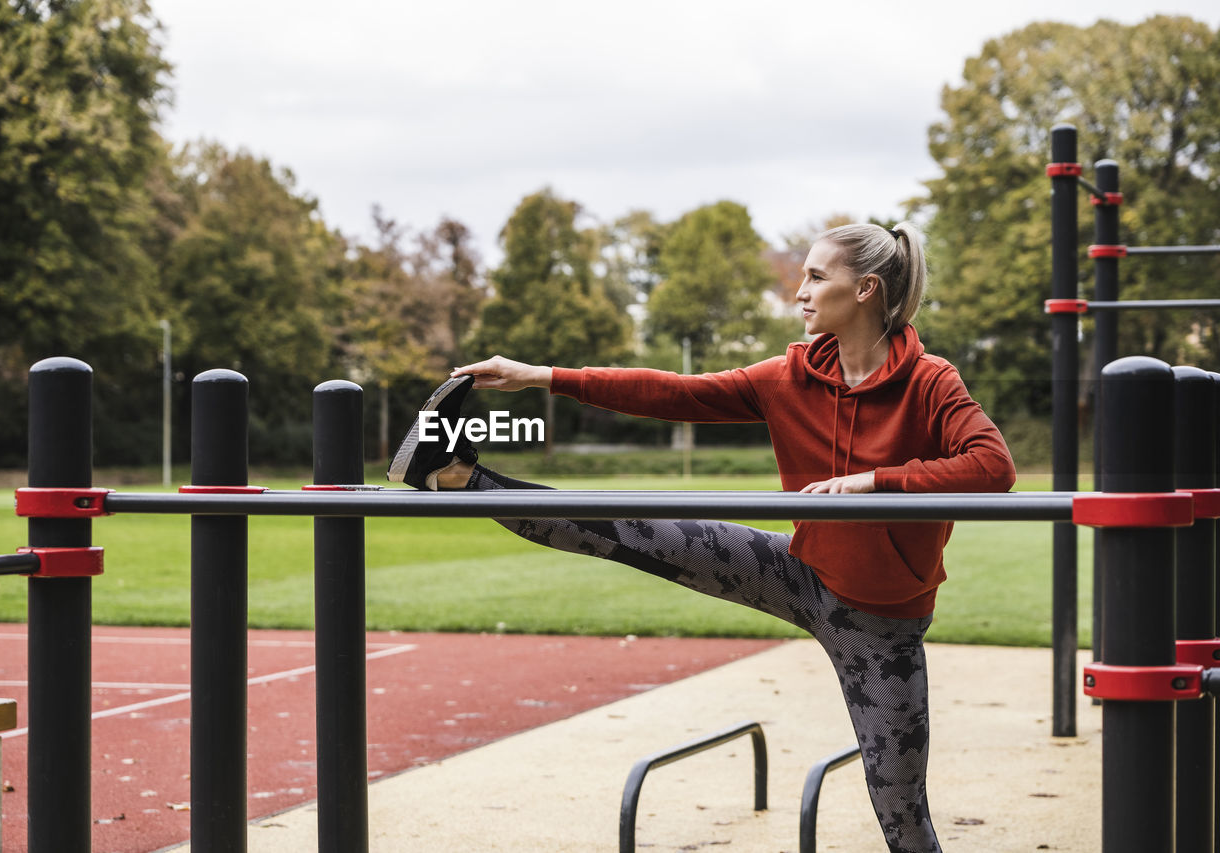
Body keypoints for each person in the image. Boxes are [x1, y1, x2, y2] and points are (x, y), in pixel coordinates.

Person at [386, 221, 1015, 853]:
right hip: (800, 573)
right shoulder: (791, 376)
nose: (799, 291)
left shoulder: (931, 380)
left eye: (816, 277)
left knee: (904, 821)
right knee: (627, 528)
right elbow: (673, 393)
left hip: (882, 623)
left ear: (866, 290)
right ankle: (456, 477)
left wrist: (872, 483)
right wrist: (541, 375)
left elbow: (993, 467)